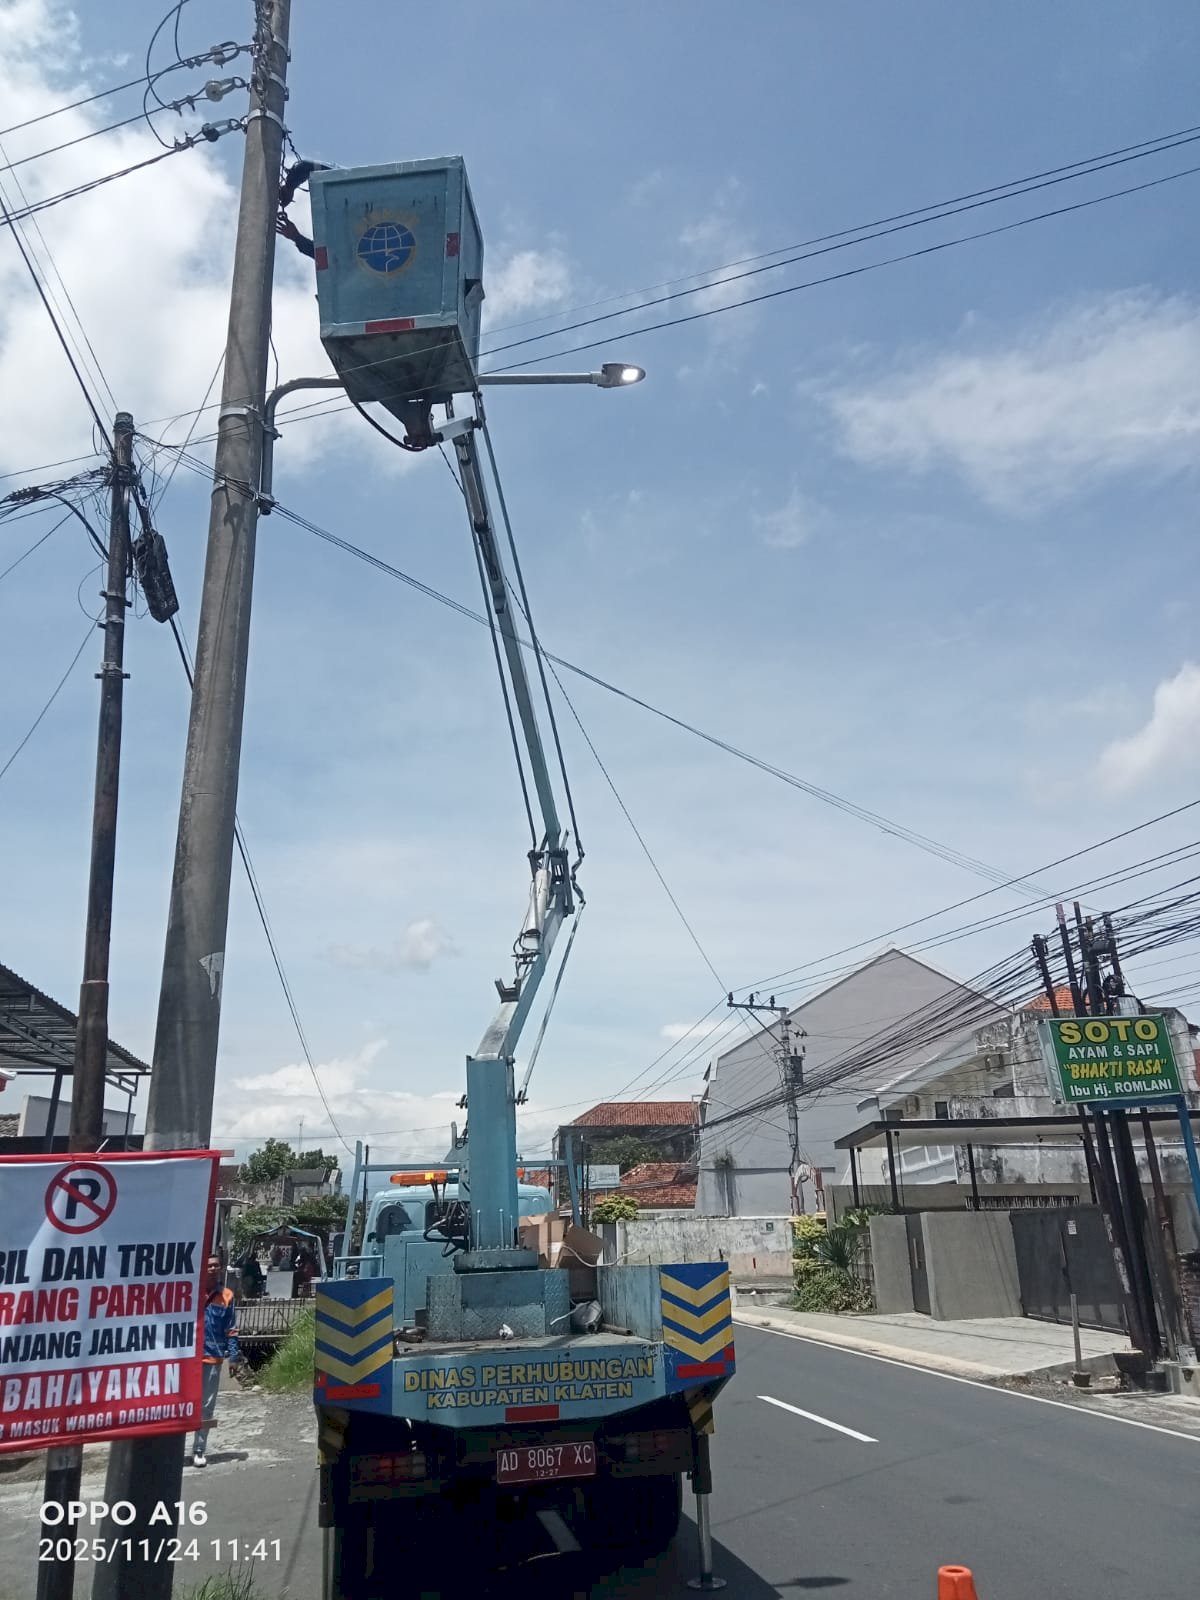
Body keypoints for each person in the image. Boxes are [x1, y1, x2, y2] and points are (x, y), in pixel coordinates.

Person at [192, 1254, 240, 1469]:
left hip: (212, 1357)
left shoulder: (227, 1296)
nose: (212, 1269)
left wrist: (233, 1356)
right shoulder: (190, 1291)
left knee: (206, 1407)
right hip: (188, 1358)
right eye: (208, 1265)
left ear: (220, 1268)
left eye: (215, 1265)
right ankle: (170, 1451)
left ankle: (199, 1449)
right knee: (181, 1404)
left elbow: (231, 1329)